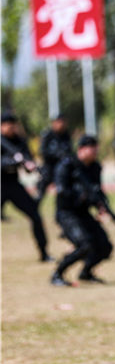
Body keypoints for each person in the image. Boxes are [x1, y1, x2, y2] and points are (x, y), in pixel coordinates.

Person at [50, 135, 113, 286]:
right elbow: (61, 190)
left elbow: (97, 189)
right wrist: (81, 195)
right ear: (81, 150)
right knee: (84, 244)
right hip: (67, 213)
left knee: (105, 247)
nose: (94, 154)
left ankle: (86, 272)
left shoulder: (95, 167)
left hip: (84, 213)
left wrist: (102, 205)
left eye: (95, 151)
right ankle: (57, 274)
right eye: (91, 150)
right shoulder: (67, 165)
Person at [1, 112, 51, 262]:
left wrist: (30, 166)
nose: (11, 128)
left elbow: (28, 162)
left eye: (13, 124)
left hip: (13, 185)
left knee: (35, 215)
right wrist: (14, 162)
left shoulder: (19, 142)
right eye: (7, 124)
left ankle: (44, 253)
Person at [37, 114, 73, 203]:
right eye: (59, 122)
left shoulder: (66, 135)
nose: (61, 124)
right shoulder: (48, 134)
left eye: (63, 122)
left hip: (62, 167)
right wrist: (56, 154)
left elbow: (69, 150)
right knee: (41, 191)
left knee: (64, 189)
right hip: (49, 167)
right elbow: (43, 151)